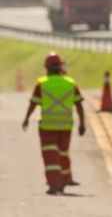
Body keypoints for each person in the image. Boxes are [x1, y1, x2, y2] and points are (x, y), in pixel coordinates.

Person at [21, 52, 86, 194]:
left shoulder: (42, 84)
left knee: (51, 157)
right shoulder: (70, 83)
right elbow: (79, 104)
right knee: (63, 154)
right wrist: (82, 124)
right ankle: (63, 181)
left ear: (47, 67)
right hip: (66, 126)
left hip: (47, 127)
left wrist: (26, 119)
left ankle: (54, 185)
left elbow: (33, 103)